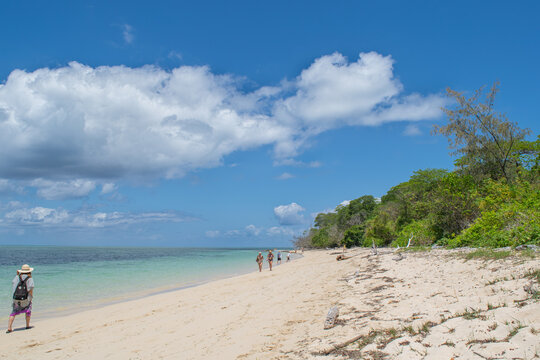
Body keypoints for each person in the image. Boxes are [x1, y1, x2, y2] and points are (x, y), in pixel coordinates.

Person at [7, 264, 34, 333]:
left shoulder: (16, 277)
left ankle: (9, 327)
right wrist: (31, 296)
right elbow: (30, 289)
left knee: (13, 312)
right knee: (28, 310)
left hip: (16, 298)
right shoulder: (30, 278)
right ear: (29, 271)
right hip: (25, 298)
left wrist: (17, 274)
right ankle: (27, 325)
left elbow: (13, 284)